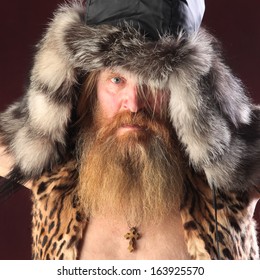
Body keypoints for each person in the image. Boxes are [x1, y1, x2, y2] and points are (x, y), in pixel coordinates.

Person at [0, 0, 259, 260]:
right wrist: (40, 124)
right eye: (116, 80)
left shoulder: (232, 178)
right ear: (90, 89)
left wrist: (226, 137)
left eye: (154, 83)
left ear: (185, 94)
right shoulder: (49, 171)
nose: (134, 103)